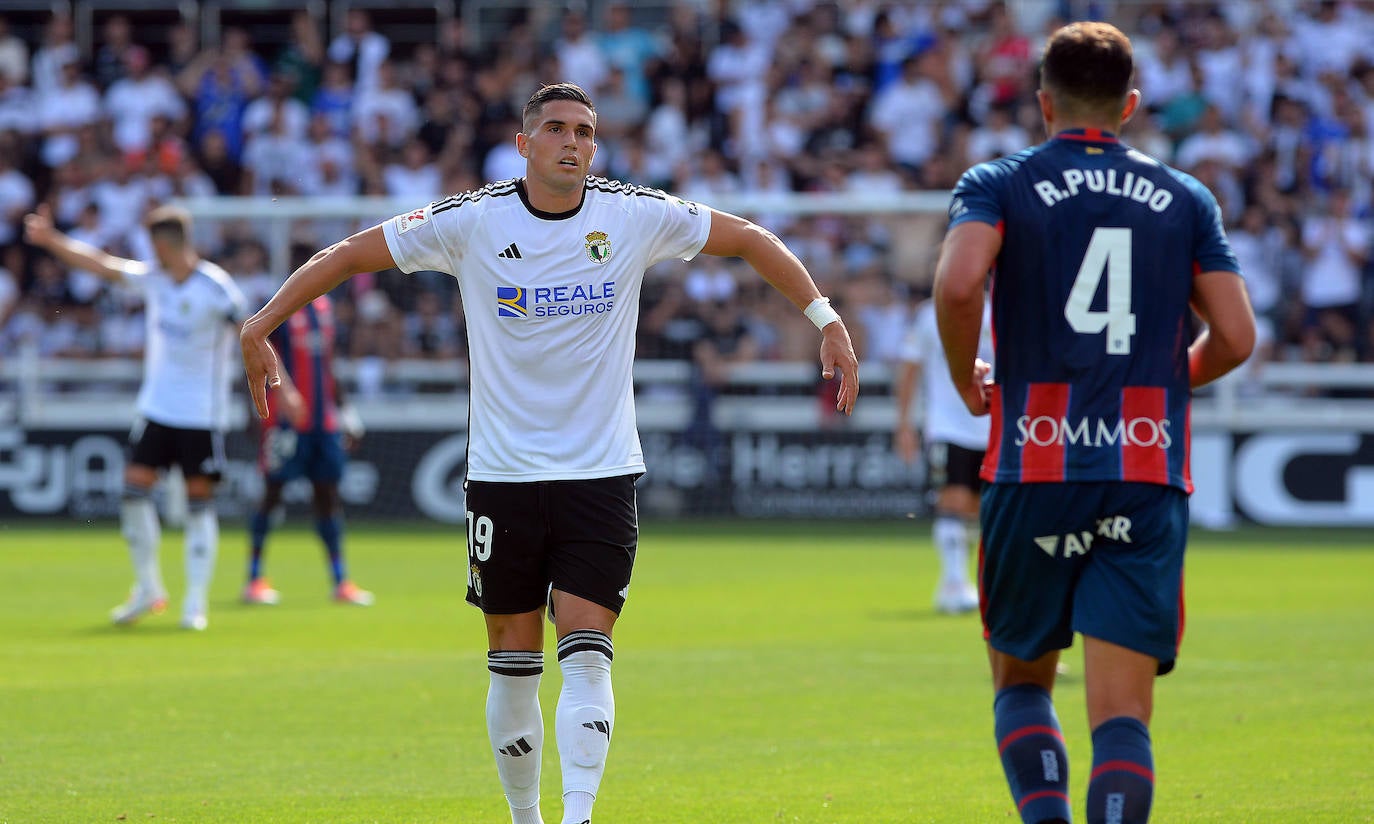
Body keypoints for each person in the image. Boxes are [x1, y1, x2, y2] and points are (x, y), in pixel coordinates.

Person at [240, 83, 859, 824]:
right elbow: (347, 255)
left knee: (589, 650)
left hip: (599, 474)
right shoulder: (471, 221)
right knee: (512, 665)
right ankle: (526, 819)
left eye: (587, 132)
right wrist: (262, 323)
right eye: (559, 129)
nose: (575, 142)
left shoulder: (631, 214)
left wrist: (826, 318)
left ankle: (578, 818)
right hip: (503, 478)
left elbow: (751, 237)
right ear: (524, 143)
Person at [932, 23, 1255, 824]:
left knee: (1021, 685)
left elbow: (959, 285)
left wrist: (965, 379)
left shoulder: (999, 181)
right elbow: (1240, 337)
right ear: (1132, 105)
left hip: (1033, 464)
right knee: (1121, 716)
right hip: (1144, 469)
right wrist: (1158, 386)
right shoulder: (1186, 197)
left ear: (1043, 103)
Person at [25, 204, 248, 632]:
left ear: (166, 244)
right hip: (156, 408)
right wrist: (52, 240)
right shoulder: (154, 280)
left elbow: (250, 331)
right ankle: (149, 588)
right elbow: (101, 264)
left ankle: (195, 602)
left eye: (153, 244)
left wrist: (278, 385)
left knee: (200, 504)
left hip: (202, 414)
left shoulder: (216, 287)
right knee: (133, 492)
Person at [243, 291, 374, 607]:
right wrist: (252, 413)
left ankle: (341, 581)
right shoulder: (279, 307)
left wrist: (345, 411)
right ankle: (255, 579)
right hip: (285, 425)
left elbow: (328, 365)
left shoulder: (325, 308)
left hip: (324, 425)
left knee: (328, 497)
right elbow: (254, 356)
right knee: (272, 494)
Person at [893, 295, 991, 614]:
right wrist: (904, 424)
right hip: (948, 425)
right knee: (953, 500)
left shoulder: (1001, 308)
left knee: (980, 508)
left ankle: (972, 583)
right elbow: (910, 368)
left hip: (994, 422)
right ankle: (952, 583)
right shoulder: (929, 314)